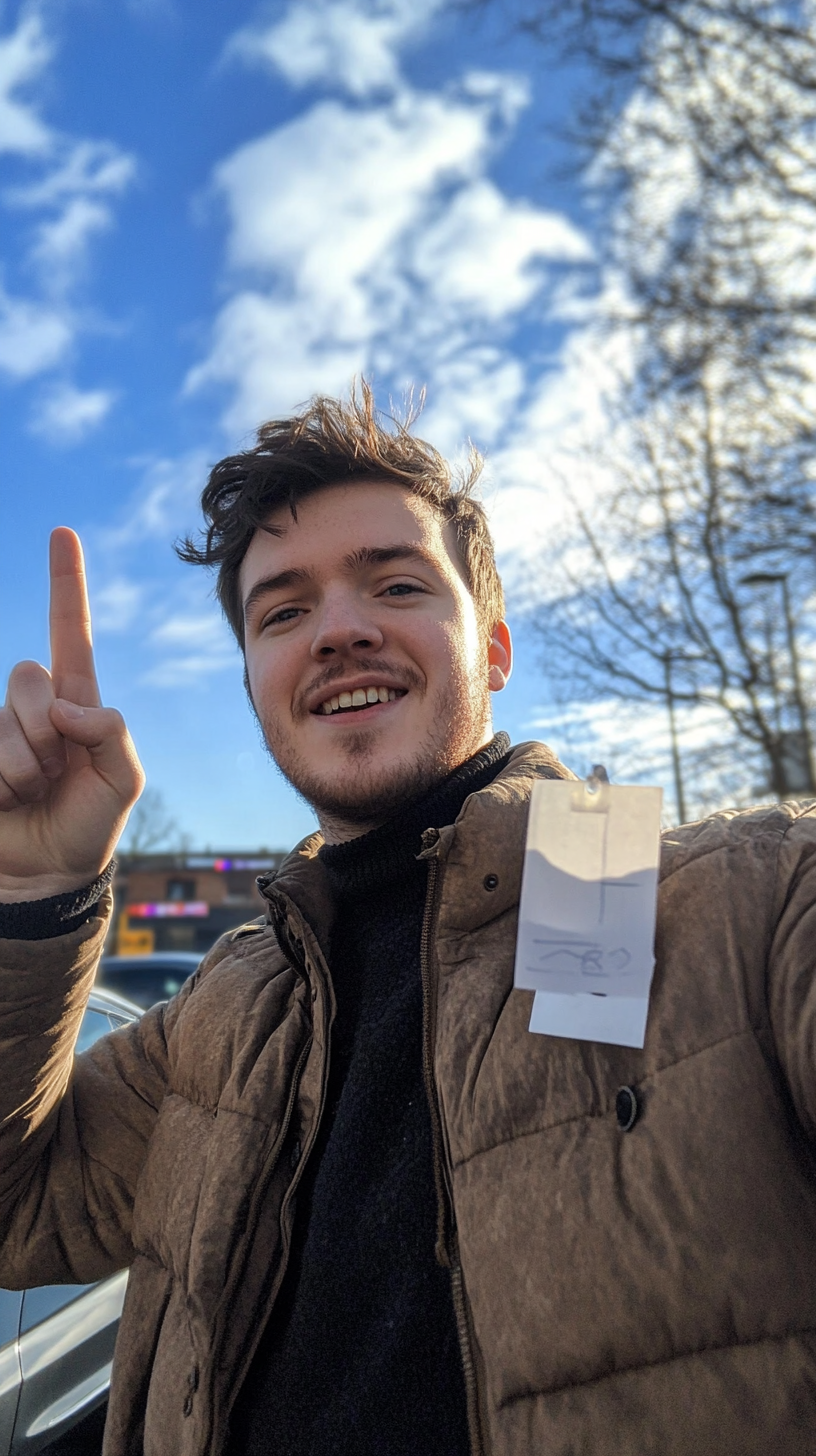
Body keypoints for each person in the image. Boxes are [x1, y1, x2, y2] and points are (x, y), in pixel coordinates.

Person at [1, 388, 816, 1456]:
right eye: (282, 612)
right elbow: (20, 1210)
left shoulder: (732, 901)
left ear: (495, 650)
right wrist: (36, 905)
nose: (340, 629)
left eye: (396, 583)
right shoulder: (225, 1008)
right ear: (254, 686)